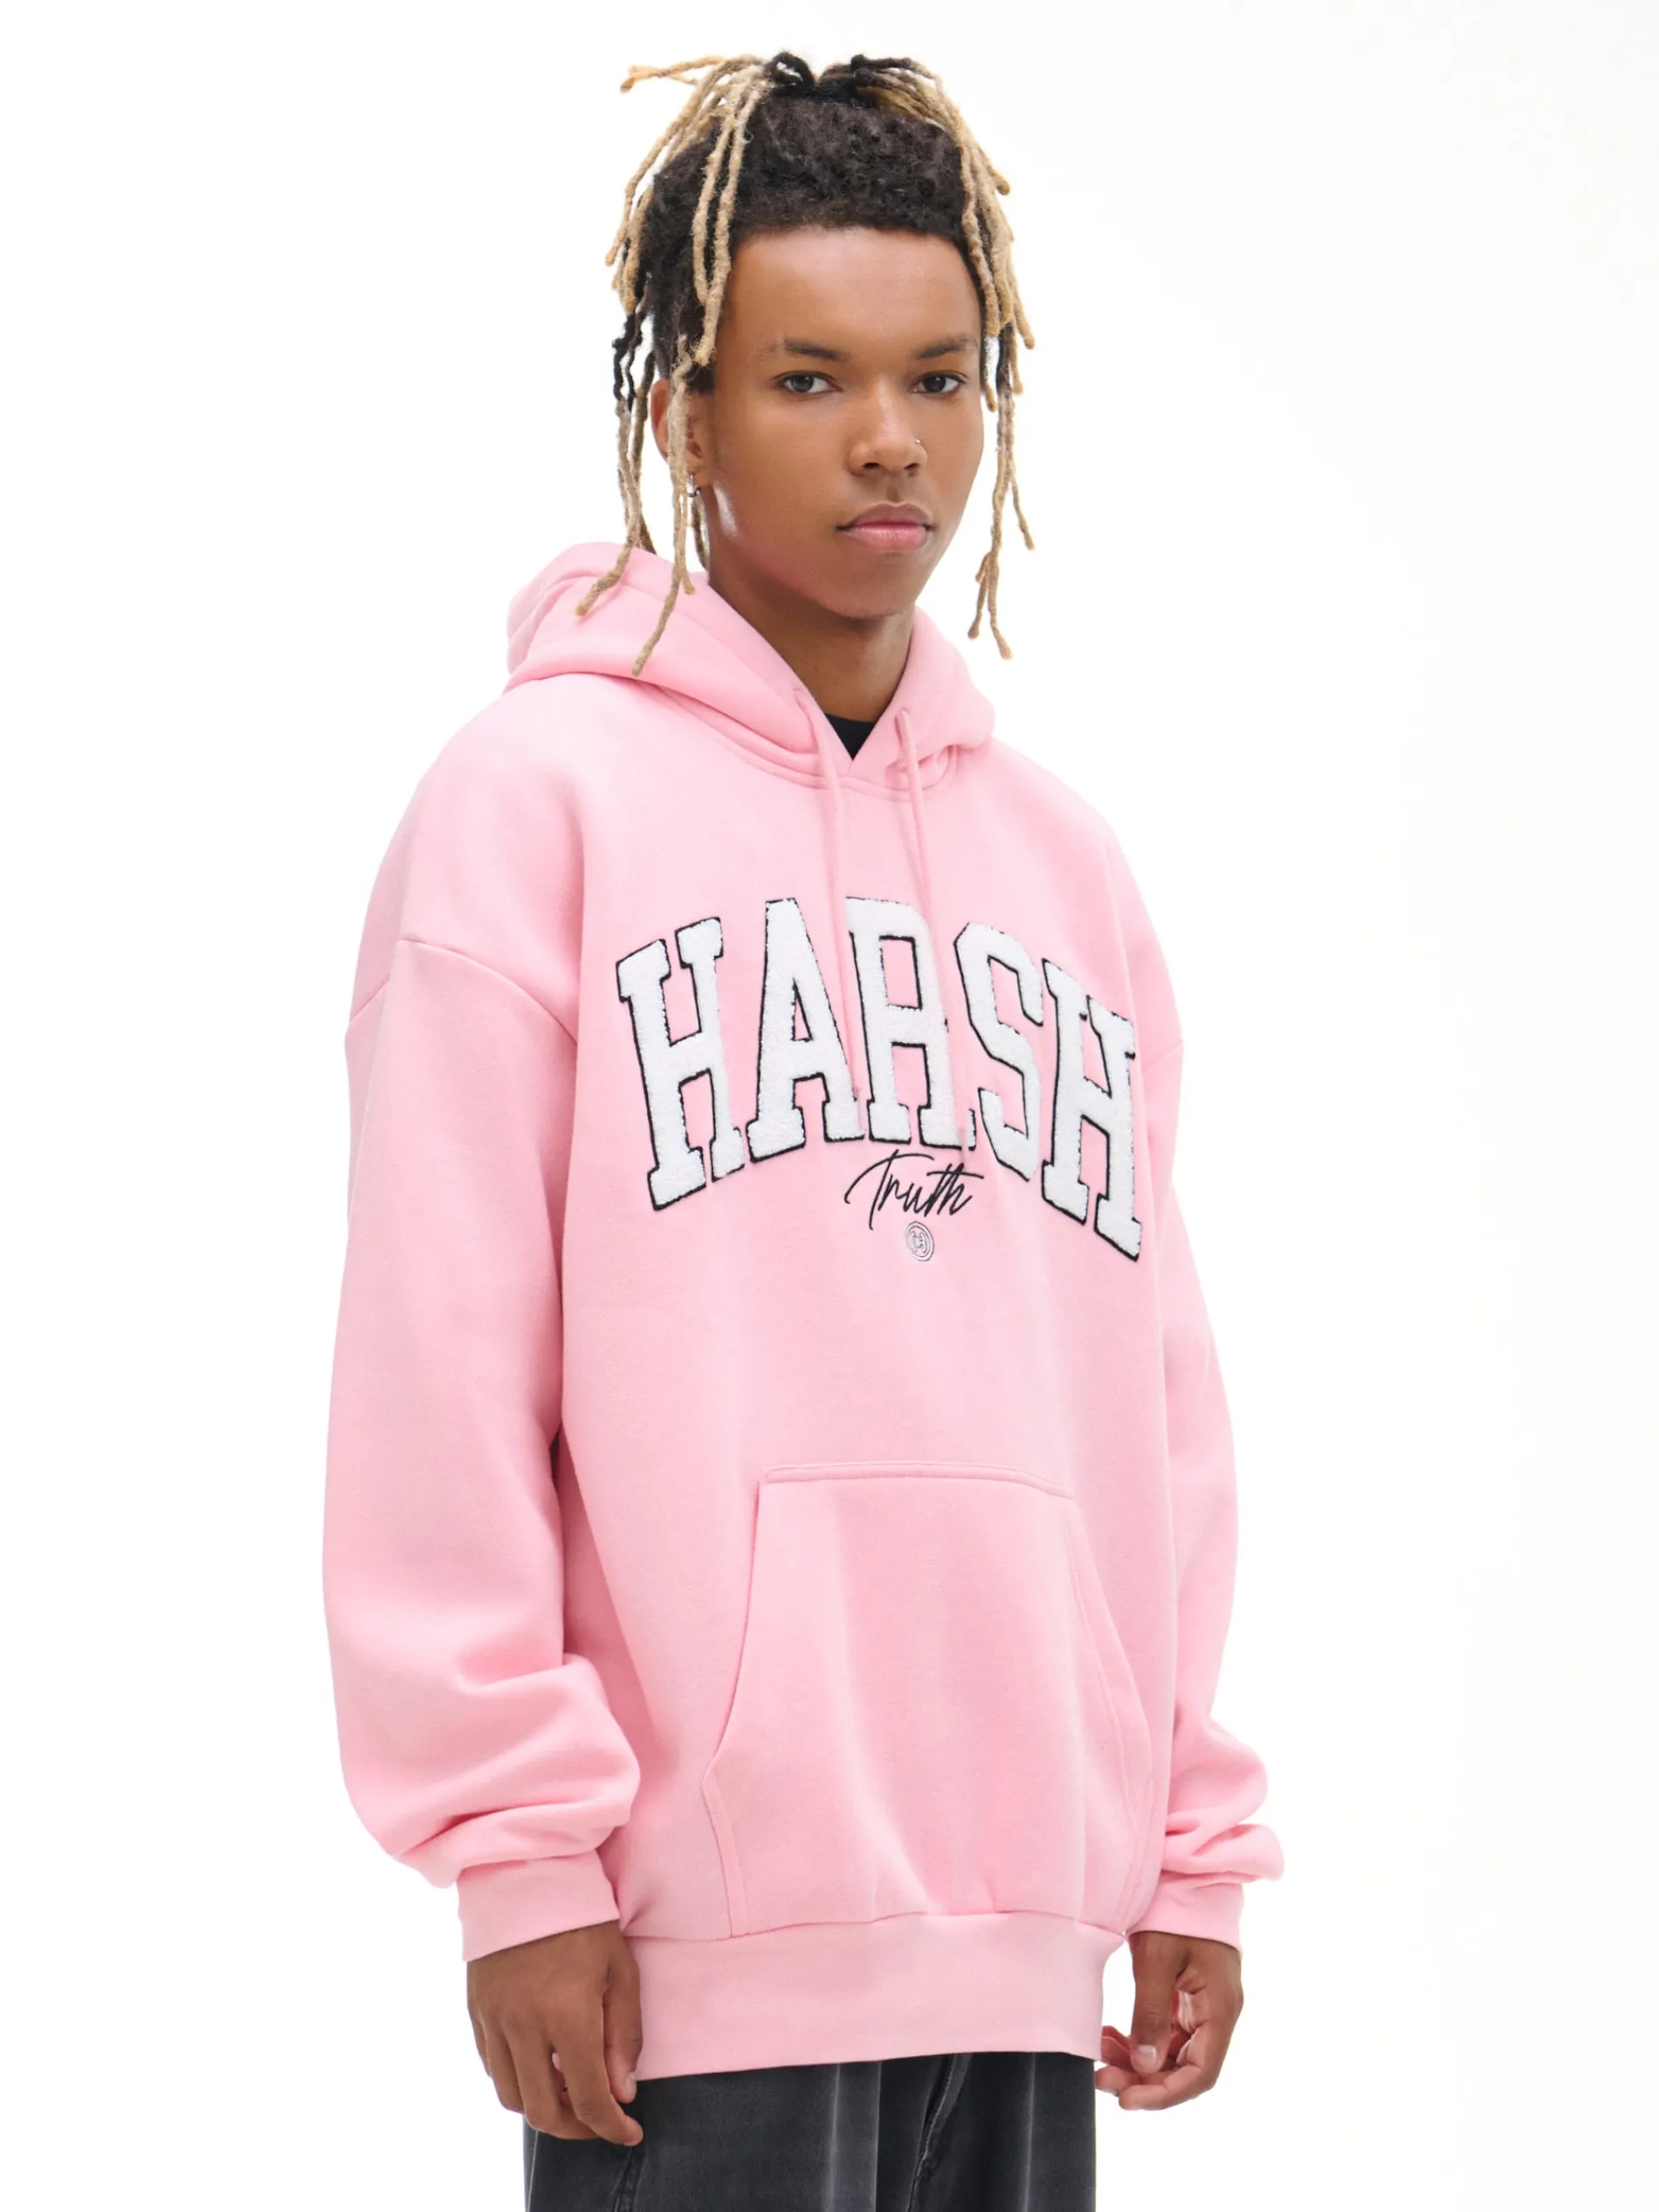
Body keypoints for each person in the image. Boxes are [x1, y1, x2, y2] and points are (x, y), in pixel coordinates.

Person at [320, 49, 1284, 2212]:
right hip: (683, 1953)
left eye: (939, 378)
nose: (887, 440)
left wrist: (1182, 1839)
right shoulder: (531, 806)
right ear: (682, 412)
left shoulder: (1063, 867)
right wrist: (517, 1850)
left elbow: (1151, 1397)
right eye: (808, 378)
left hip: (1022, 1941)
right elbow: (439, 1368)